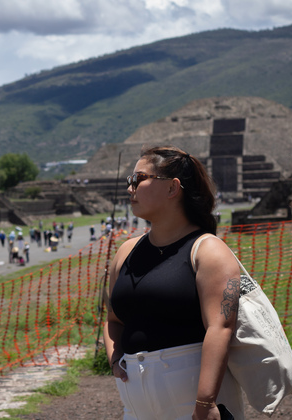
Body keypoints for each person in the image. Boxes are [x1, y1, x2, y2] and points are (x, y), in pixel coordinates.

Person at [104, 145, 244, 420]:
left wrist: (205, 402)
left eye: (139, 179)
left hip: (194, 406)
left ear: (172, 188)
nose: (130, 188)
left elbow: (220, 328)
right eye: (129, 181)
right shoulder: (125, 252)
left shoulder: (208, 251)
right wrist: (114, 357)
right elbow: (113, 319)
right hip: (136, 407)